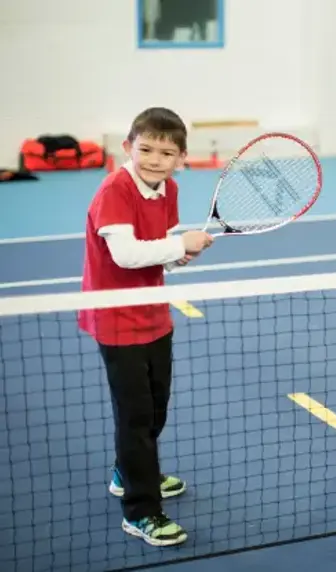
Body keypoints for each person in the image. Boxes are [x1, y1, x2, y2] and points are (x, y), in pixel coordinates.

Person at [78, 107, 214, 545]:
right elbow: (126, 255)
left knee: (156, 407)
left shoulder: (167, 188)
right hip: (116, 317)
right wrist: (177, 245)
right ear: (128, 148)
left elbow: (162, 246)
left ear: (181, 158)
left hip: (154, 312)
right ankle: (140, 510)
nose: (155, 159)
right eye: (146, 149)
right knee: (135, 416)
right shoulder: (116, 190)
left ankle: (129, 470)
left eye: (166, 152)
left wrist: (178, 254)